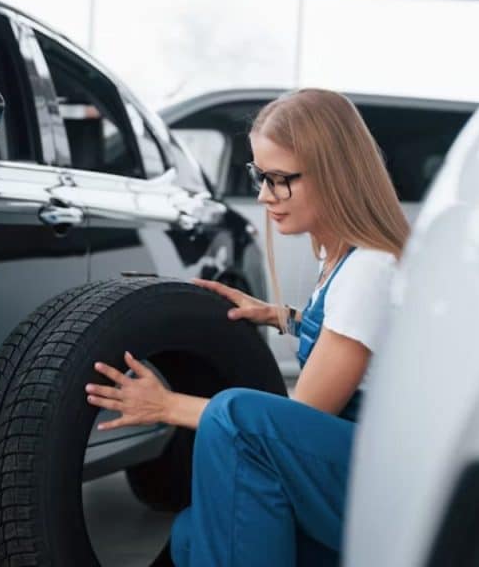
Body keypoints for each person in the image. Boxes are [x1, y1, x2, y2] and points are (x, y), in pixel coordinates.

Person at [84, 88, 409, 566]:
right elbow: (360, 337)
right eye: (260, 176)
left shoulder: (369, 271)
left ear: (334, 175)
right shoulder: (340, 260)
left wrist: (167, 405)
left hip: (381, 481)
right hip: (351, 467)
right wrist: (283, 316)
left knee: (240, 418)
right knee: (192, 532)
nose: (263, 195)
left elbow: (295, 424)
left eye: (279, 180)